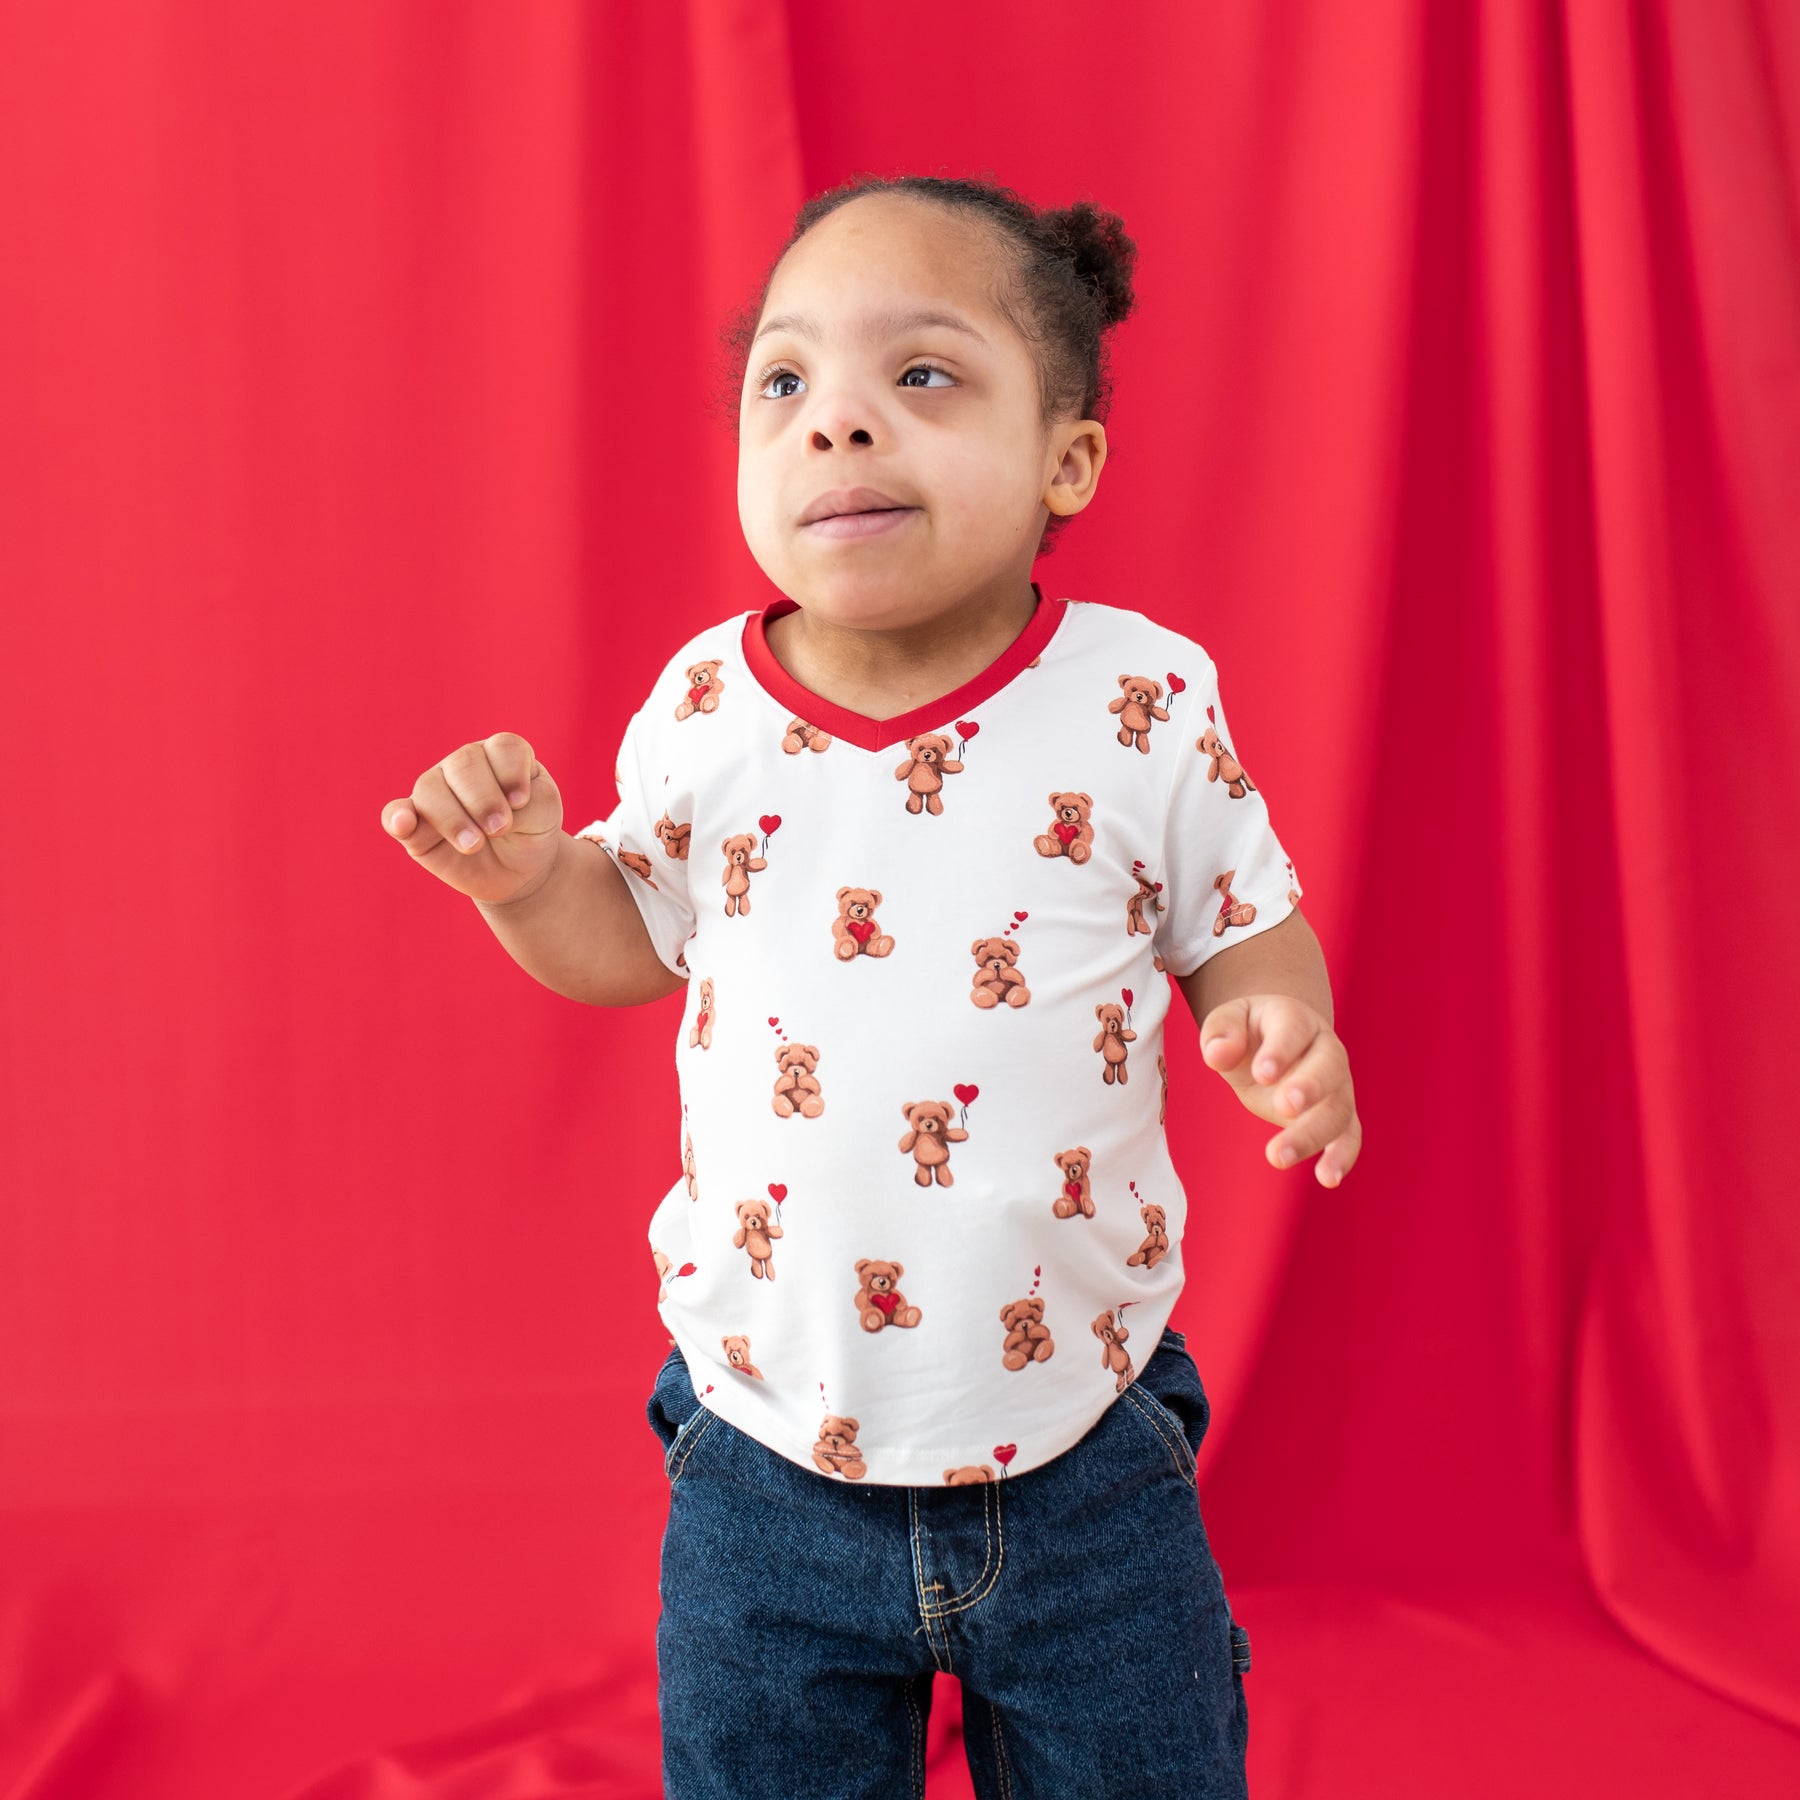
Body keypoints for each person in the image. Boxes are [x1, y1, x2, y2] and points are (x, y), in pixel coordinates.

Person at [382, 172, 1360, 1800]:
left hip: (1086, 1446)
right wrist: (526, 883)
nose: (837, 423)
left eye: (921, 375)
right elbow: (629, 938)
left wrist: (1281, 1019)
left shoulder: (1140, 700)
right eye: (788, 382)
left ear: (1069, 457)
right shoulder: (705, 705)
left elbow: (1243, 921)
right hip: (767, 1453)